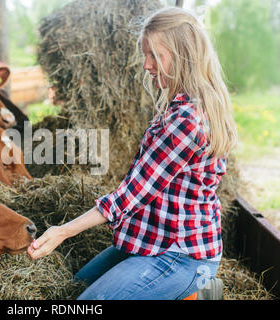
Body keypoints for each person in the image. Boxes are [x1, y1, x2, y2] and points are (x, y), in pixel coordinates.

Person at [27, 7, 238, 300]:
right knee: (73, 288)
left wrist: (63, 231)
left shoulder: (187, 120)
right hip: (149, 242)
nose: (146, 65)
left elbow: (130, 195)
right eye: (144, 54)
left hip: (180, 255)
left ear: (182, 55)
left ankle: (192, 290)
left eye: (155, 55)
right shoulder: (175, 106)